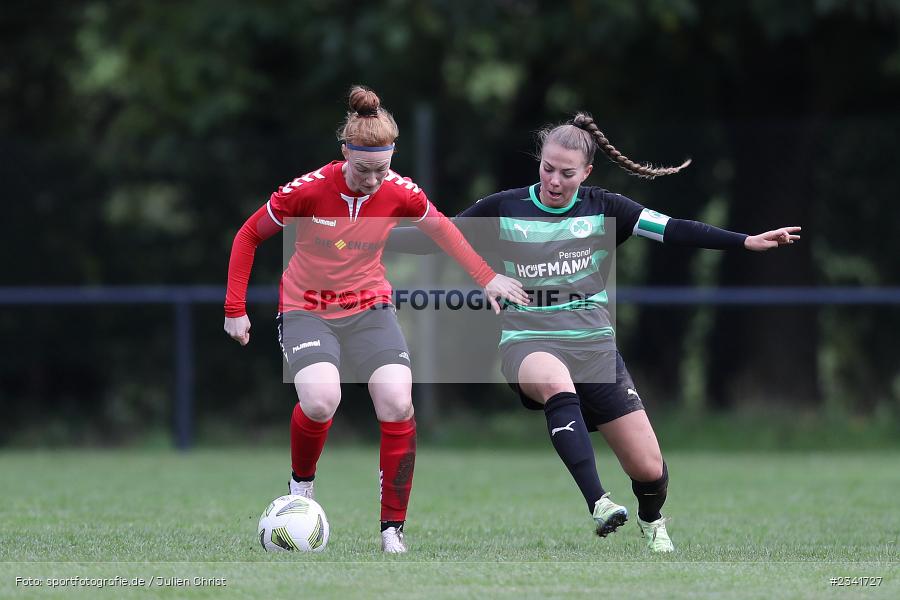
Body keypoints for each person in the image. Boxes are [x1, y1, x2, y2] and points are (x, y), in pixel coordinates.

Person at [386, 112, 800, 552]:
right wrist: (365, 234)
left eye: (567, 173)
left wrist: (745, 241)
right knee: (553, 380)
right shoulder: (505, 207)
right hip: (529, 342)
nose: (554, 180)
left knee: (649, 469)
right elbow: (437, 237)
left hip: (596, 352)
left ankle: (652, 519)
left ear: (586, 172)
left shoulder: (606, 208)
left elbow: (674, 230)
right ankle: (599, 502)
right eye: (547, 168)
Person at [223, 86, 528, 553]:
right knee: (323, 400)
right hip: (307, 308)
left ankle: (392, 532)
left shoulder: (399, 191)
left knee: (397, 403)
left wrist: (487, 278)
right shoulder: (307, 192)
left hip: (369, 308)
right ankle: (301, 488)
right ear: (345, 153)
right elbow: (248, 235)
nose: (371, 180)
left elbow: (445, 229)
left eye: (381, 170)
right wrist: (235, 309)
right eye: (363, 170)